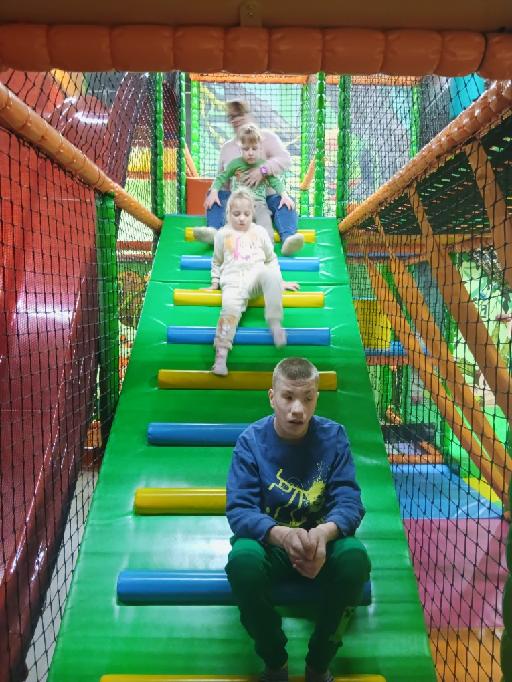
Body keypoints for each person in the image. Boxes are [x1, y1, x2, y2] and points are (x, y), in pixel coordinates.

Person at [225, 357, 370, 682]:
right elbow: (240, 510)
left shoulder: (334, 437)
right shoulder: (250, 442)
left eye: (307, 398)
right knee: (242, 563)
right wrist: (283, 536)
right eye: (288, 397)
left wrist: (323, 535)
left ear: (317, 398)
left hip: (321, 544)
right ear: (272, 397)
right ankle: (274, 660)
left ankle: (319, 663)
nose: (297, 410)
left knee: (355, 560)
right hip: (271, 545)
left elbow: (349, 500)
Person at [194, 99, 304, 257]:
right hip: (238, 198)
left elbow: (285, 160)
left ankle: (288, 239)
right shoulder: (227, 148)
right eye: (232, 117)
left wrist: (263, 170)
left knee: (285, 201)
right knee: (214, 194)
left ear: (249, 115)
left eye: (239, 114)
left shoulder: (267, 138)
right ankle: (213, 231)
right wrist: (214, 192)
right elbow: (222, 179)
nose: (235, 119)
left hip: (265, 197)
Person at [209, 188, 300, 376]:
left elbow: (271, 259)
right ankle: (221, 356)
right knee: (229, 311)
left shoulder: (259, 232)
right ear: (228, 213)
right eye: (236, 214)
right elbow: (217, 261)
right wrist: (214, 281)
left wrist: (280, 281)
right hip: (232, 282)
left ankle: (275, 324)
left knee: (270, 275)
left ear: (252, 213)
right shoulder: (222, 234)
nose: (242, 218)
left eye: (246, 214)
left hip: (255, 277)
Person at [205, 123, 294, 243]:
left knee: (265, 225)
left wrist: (284, 195)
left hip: (259, 205)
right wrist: (214, 191)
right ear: (240, 149)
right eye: (246, 149)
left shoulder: (263, 166)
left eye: (254, 148)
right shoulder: (235, 164)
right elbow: (222, 177)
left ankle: (267, 248)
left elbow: (274, 181)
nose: (250, 153)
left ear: (260, 148)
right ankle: (220, 240)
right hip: (238, 205)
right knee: (230, 227)